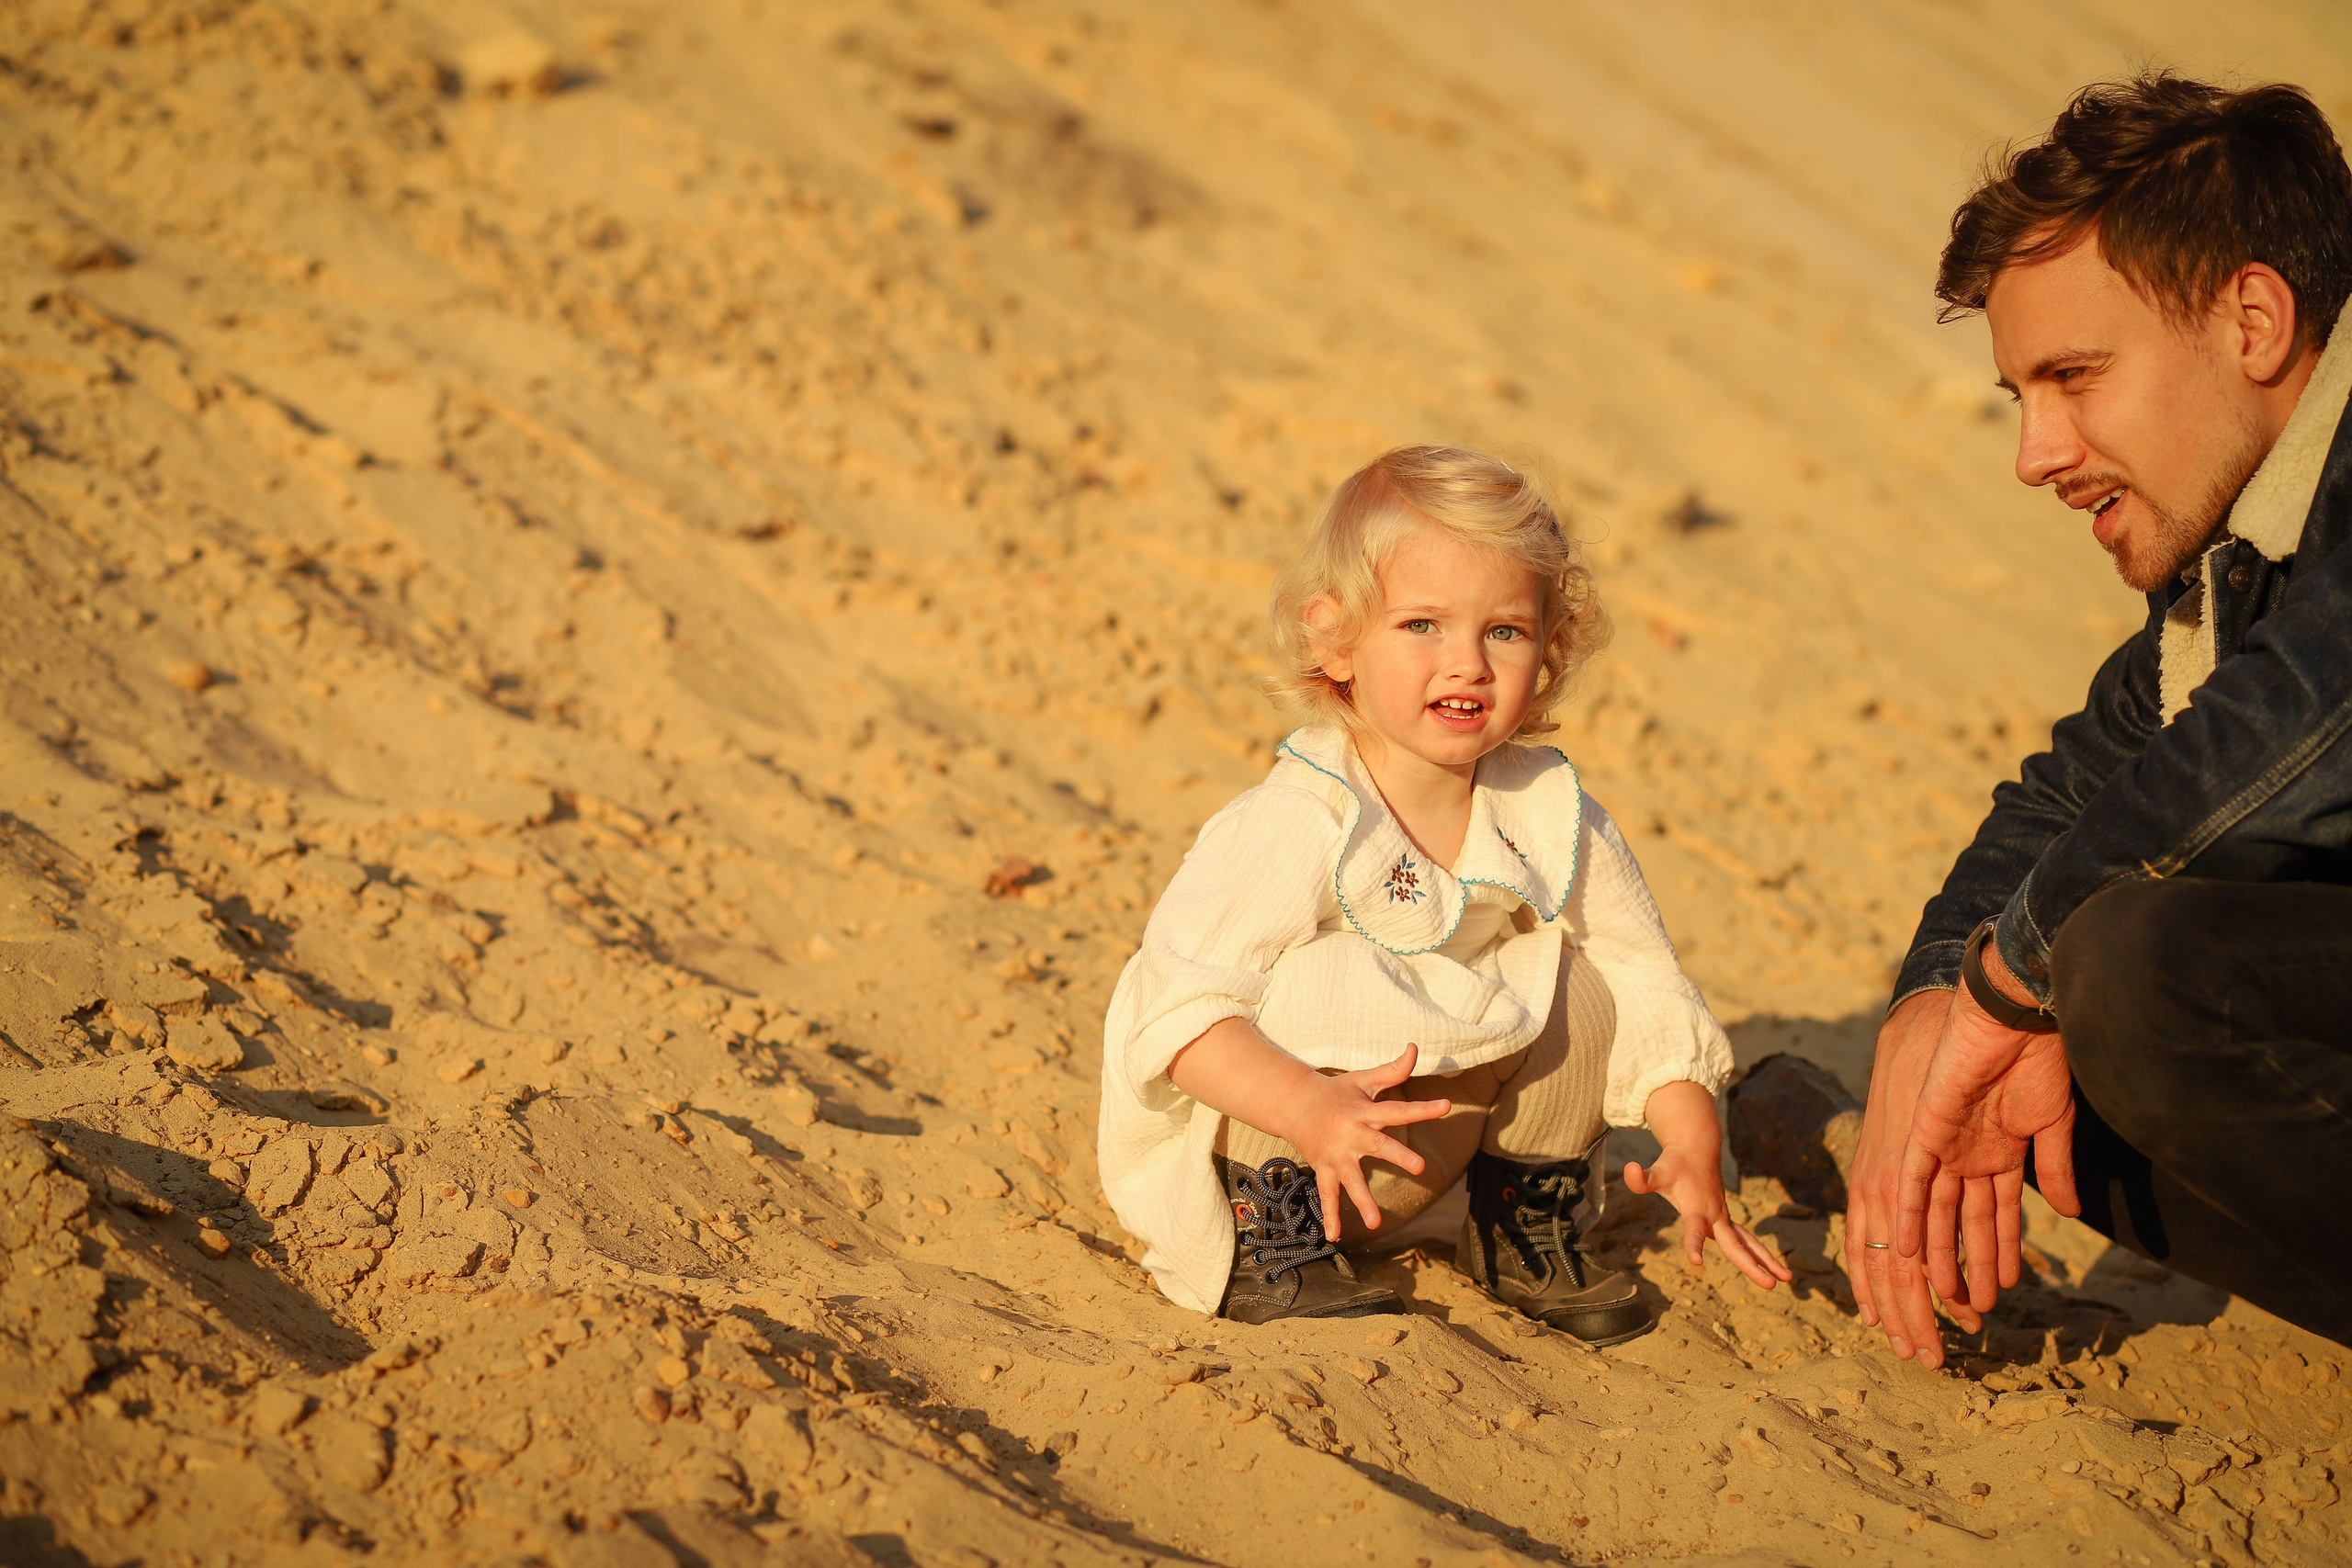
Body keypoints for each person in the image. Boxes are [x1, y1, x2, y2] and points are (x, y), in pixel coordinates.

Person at [1850, 73, 2352, 1362]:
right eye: (2023, 395)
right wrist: (1929, 1011)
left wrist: (2005, 982)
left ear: (2252, 317)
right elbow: (2077, 789)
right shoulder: (2238, 564)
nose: (2036, 451)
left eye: (2074, 375)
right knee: (2047, 1076)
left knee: (2127, 969)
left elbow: (2306, 717)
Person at [1097, 446, 1791, 1338]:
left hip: (1435, 1165)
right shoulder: (1299, 817)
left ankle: (1520, 1227)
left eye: (1501, 631)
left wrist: (1688, 1131)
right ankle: (1268, 1243)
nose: (1465, 663)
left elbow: (1640, 970)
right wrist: (1304, 1107)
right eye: (1421, 625)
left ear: (1546, 651)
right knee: (1299, 974)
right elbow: (1179, 1011)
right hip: (1292, 1149)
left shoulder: (1546, 809)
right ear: (1334, 640)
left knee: (1577, 975)